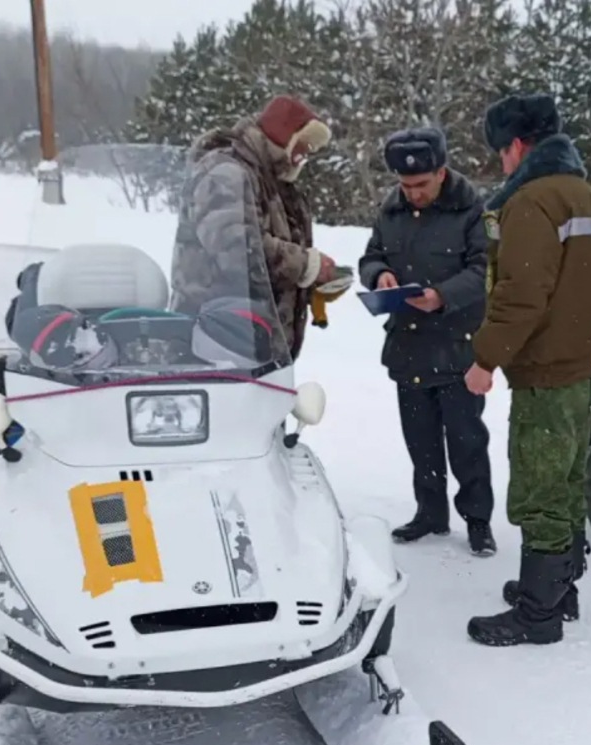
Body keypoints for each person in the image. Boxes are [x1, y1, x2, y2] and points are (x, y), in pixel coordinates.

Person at [462, 93, 591, 647]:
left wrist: (485, 359)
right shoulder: (588, 197)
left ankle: (538, 614)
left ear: (519, 146)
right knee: (569, 477)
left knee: (540, 485)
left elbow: (520, 294)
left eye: (501, 152)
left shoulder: (531, 202)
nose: (500, 164)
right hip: (581, 365)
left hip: (547, 373)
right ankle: (560, 587)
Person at [357, 127, 497, 556]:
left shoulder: (474, 211)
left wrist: (442, 296)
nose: (412, 193)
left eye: (420, 184)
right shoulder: (391, 210)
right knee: (420, 441)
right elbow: (371, 254)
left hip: (457, 346)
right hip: (409, 346)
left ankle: (477, 521)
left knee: (466, 442)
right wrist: (378, 274)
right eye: (405, 185)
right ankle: (430, 513)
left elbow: (485, 270)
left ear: (441, 172)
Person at [170, 94, 342, 361]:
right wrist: (307, 266)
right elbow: (236, 250)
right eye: (302, 147)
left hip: (253, 342)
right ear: (285, 138)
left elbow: (272, 264)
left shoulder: (276, 182)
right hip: (214, 342)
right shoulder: (225, 172)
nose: (303, 157)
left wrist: (314, 283)